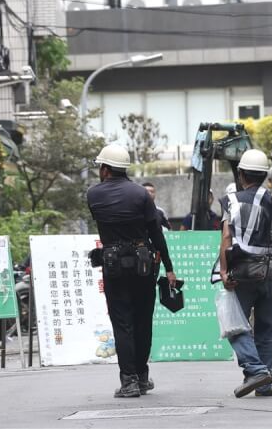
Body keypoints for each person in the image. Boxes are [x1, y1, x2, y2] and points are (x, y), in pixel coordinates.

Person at [86, 144, 177, 398]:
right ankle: (142, 376)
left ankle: (129, 382)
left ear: (105, 169)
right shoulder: (141, 195)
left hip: (113, 265)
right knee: (142, 320)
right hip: (143, 265)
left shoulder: (93, 195)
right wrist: (169, 268)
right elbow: (156, 234)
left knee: (122, 322)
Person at [218, 149, 272, 398]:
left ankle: (255, 370)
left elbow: (226, 238)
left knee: (234, 324)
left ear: (241, 174)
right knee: (265, 329)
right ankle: (264, 383)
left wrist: (223, 271)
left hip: (242, 275)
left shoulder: (233, 202)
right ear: (265, 176)